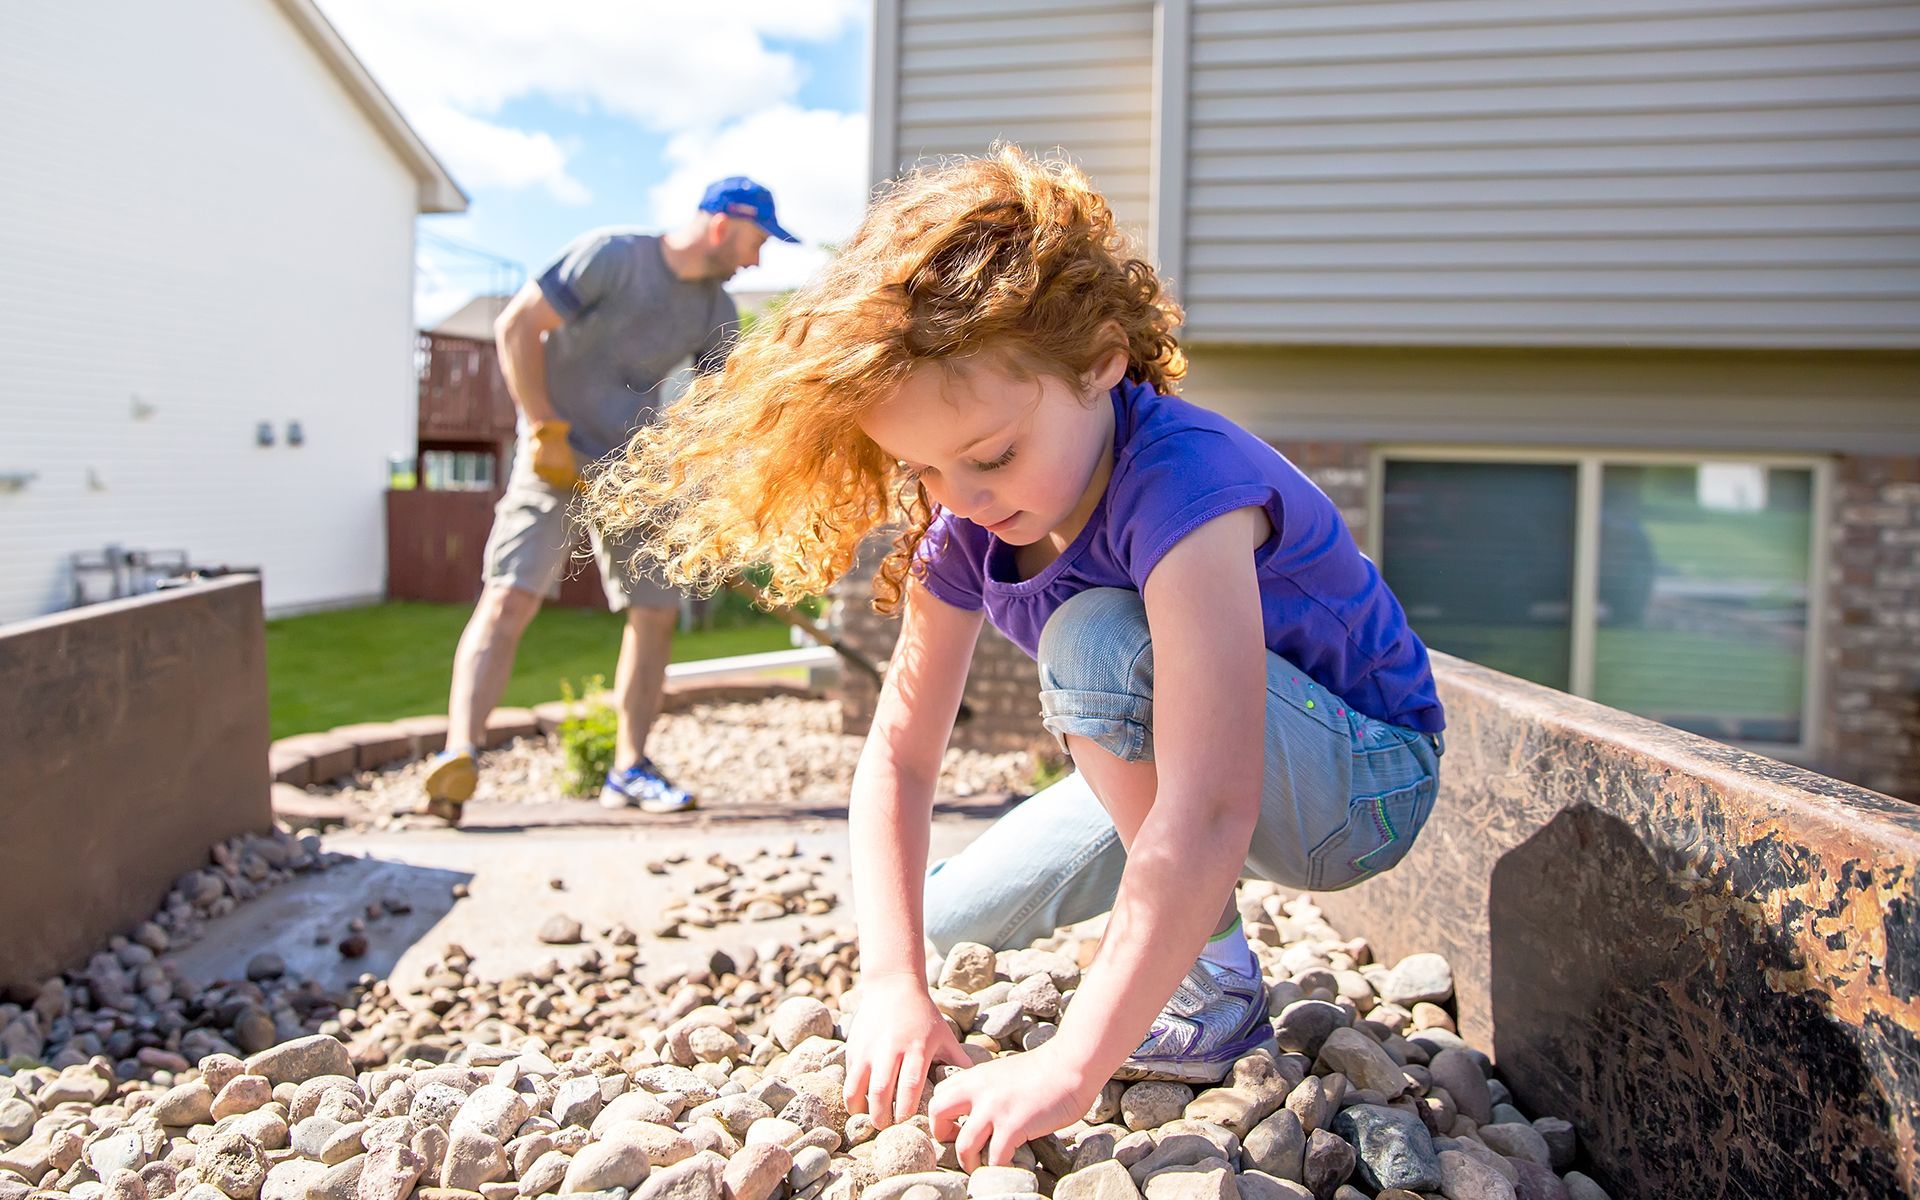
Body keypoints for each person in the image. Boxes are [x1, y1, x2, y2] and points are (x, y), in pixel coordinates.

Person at [584, 147, 1444, 1167]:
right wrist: (893, 982)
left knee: (1094, 641)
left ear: (1100, 360)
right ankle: (1159, 940)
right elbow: (900, 759)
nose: (963, 496)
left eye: (990, 455)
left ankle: (1213, 992)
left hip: (1362, 783)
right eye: (926, 469)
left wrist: (1071, 1066)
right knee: (941, 919)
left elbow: (1212, 805)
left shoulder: (1185, 486)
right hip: (1198, 756)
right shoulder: (966, 533)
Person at [419, 177, 801, 824]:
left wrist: (696, 493)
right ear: (722, 224)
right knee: (509, 597)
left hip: (634, 476)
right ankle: (460, 758)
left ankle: (630, 768)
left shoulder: (716, 311)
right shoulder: (612, 257)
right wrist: (543, 428)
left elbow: (716, 412)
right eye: (757, 241)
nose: (757, 259)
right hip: (555, 459)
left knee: (654, 615)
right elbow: (518, 326)